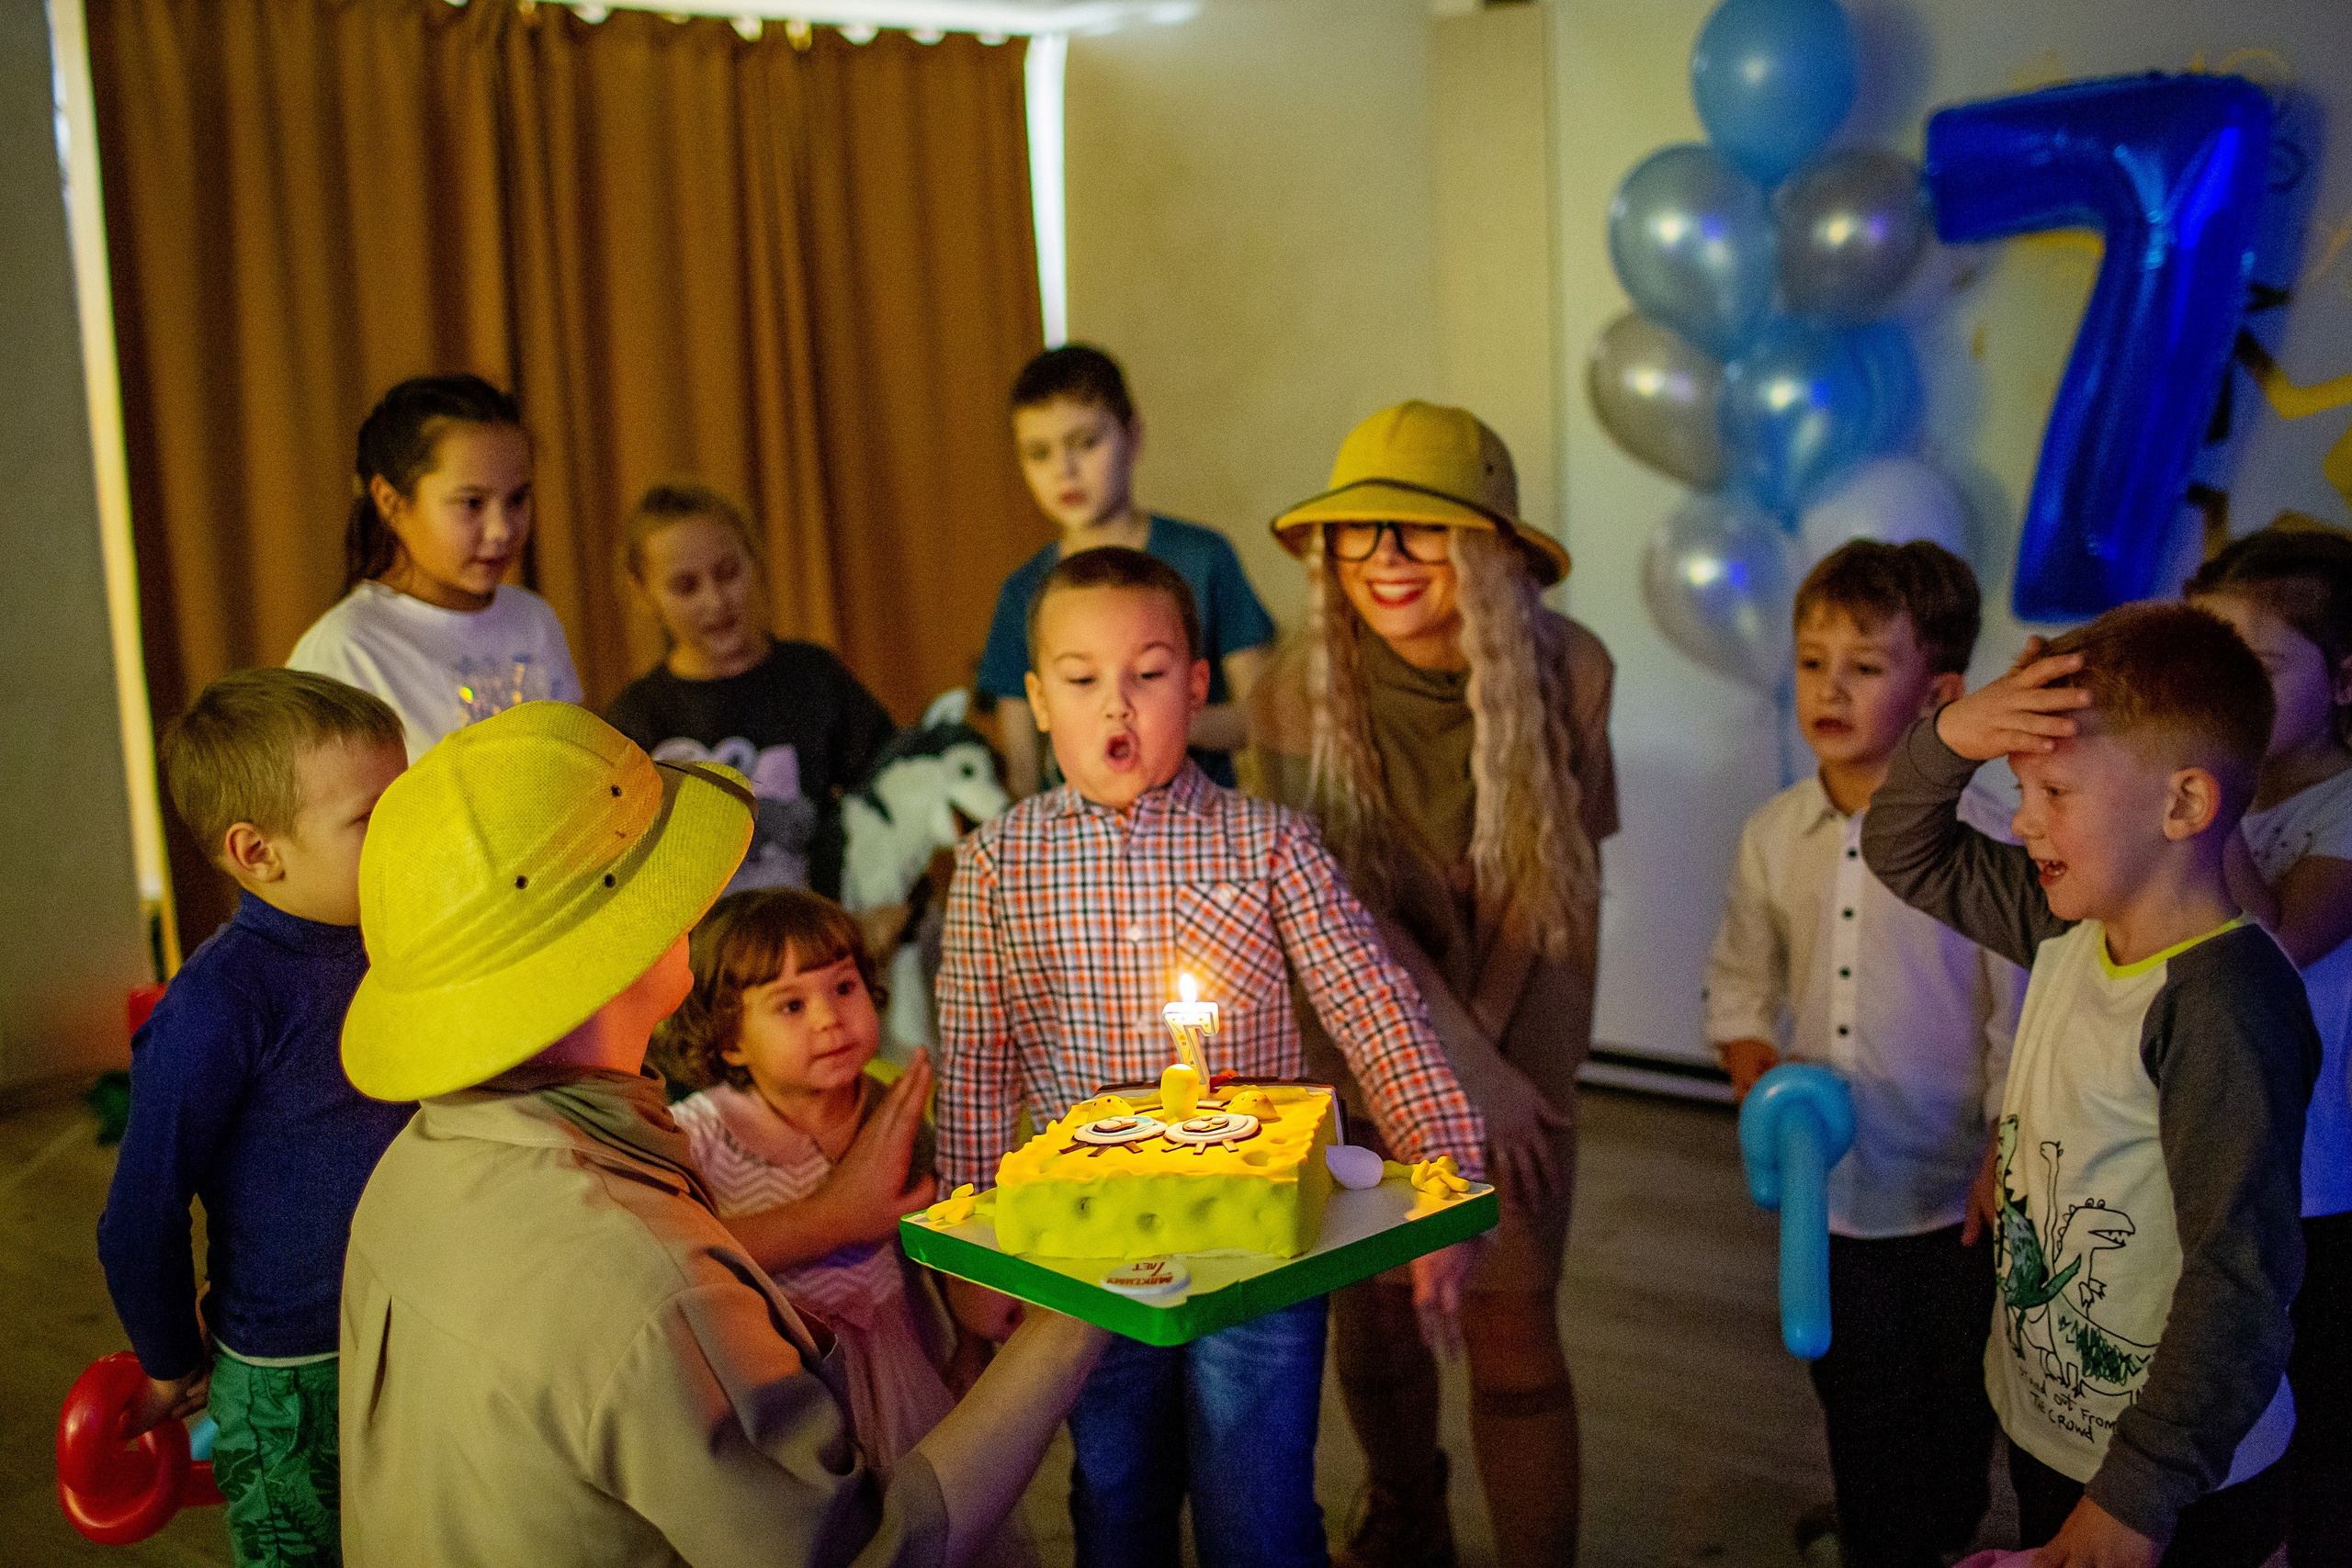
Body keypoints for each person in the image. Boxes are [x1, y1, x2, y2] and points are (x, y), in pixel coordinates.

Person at [335, 700, 1108, 1567]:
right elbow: (866, 1552)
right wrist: (1081, 1314)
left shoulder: (412, 1167)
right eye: (654, 863)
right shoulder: (643, 1279)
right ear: (612, 945)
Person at [935, 546, 1487, 1568]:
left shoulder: (1268, 844)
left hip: (1255, 1252)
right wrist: (973, 1258)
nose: (1118, 705)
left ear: (1195, 687)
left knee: (1262, 1510)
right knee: (1115, 1499)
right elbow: (974, 1063)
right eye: (1082, 677)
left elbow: (1374, 1007)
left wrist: (1445, 1167)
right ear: (1036, 699)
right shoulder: (996, 865)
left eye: (1148, 674)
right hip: (1086, 1259)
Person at [1861, 603, 2320, 1567]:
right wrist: (1952, 734)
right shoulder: (2066, 927)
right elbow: (1905, 847)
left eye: (2055, 789)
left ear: (2183, 805)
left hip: (2173, 1480)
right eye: (2019, 785)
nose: (2022, 819)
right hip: (2057, 1427)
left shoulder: (2223, 1004)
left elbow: (2239, 1278)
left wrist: (2136, 1495)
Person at [1253, 400, 1613, 1568]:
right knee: (1377, 1312)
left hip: (1522, 1007)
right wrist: (1446, 1066)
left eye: (1420, 531)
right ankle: (1407, 1516)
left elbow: (1552, 896)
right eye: (1360, 533)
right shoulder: (1290, 690)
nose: (1385, 560)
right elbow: (1338, 913)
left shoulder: (1572, 669)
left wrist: (1494, 1077)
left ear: (1488, 547)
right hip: (1349, 1021)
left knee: (1510, 1314)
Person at [1704, 540, 2024, 1568]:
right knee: (1849, 1381)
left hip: (1956, 1194)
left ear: (1939, 692)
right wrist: (1758, 1073)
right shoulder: (1772, 832)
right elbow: (1742, 981)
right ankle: (1881, 1531)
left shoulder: (1990, 836)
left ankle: (1927, 1532)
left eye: (1864, 665)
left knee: (1956, 1394)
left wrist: (2003, 1153)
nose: (1827, 687)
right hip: (1828, 1191)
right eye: (1810, 661)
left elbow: (2016, 1014)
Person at [96, 669, 413, 1566]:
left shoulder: (404, 941)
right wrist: (168, 1359)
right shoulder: (215, 1005)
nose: (407, 830)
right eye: (370, 817)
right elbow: (140, 1217)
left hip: (429, 1329)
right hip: (292, 1378)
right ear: (257, 852)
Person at [656, 887, 1018, 1551]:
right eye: (791, 1004)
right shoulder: (699, 1135)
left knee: (920, 1522)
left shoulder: (891, 1110)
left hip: (897, 1371)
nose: (830, 1017)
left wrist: (970, 1348)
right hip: (775, 1382)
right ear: (729, 1039)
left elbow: (933, 1241)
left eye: (844, 986)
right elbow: (674, 1252)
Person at [2186, 525, 2352, 1568]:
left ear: (2343, 681)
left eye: (2250, 665)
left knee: (2321, 1396)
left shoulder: (2338, 804)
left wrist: (2216, 794)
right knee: (2234, 1376)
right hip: (2230, 1141)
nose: (2218, 686)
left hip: (2321, 1170)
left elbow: (2275, 943)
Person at [976, 344, 1275, 796]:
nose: (1065, 471)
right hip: (1081, 849)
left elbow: (1262, 716)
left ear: (1132, 438)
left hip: (1200, 835)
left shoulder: (1204, 557)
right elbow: (1022, 769)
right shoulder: (1023, 592)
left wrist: (1156, 720)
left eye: (1085, 442)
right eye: (1039, 453)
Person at [606, 482, 899, 899]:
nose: (716, 601)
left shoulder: (813, 678)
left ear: (755, 559)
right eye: (686, 587)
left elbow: (896, 796)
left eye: (728, 573)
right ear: (644, 594)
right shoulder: (635, 719)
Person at [288, 373, 582, 761]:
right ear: (391, 502)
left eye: (517, 499)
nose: (501, 530)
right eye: (471, 503)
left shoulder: (533, 618)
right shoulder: (346, 650)